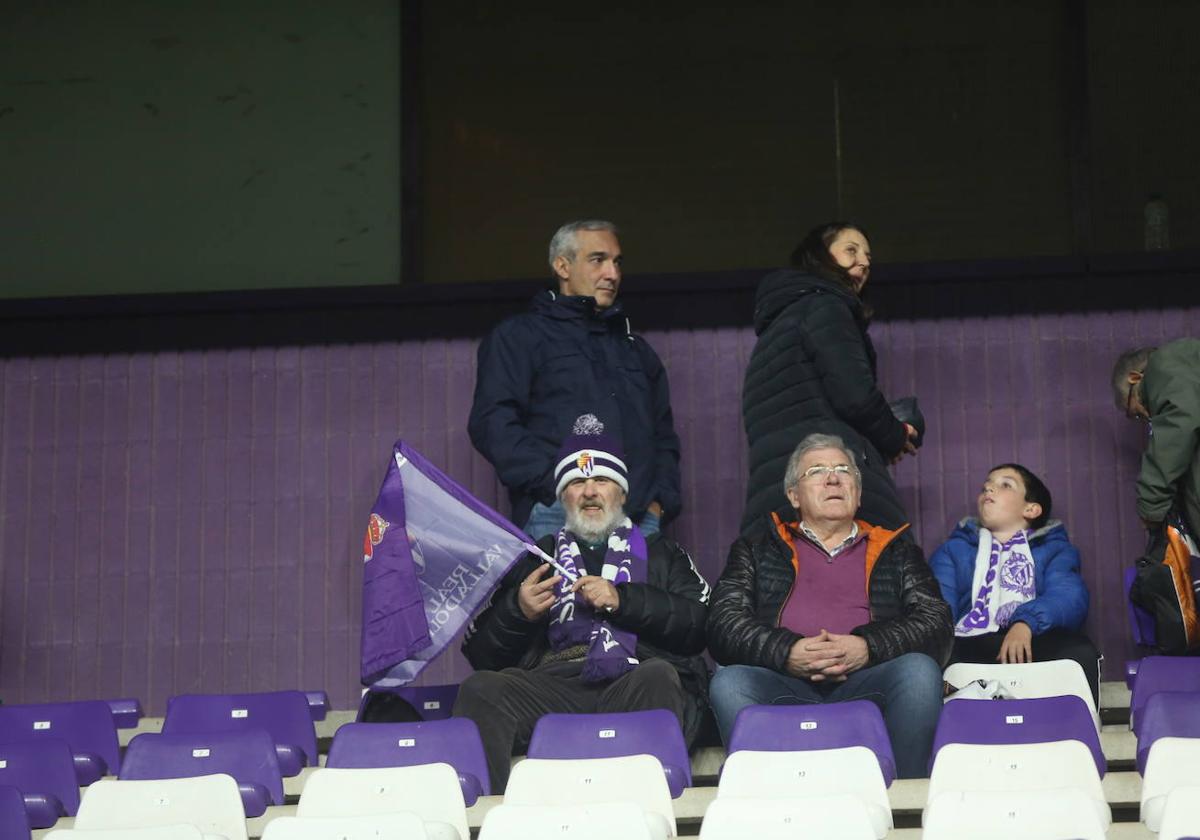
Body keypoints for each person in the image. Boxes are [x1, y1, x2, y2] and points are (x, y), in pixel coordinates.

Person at [453, 415, 710, 791]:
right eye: (577, 482)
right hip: (552, 685)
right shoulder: (536, 558)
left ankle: (654, 807)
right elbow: (480, 653)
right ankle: (495, 820)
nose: (590, 491)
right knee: (481, 690)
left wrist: (623, 600)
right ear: (563, 497)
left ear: (621, 494)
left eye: (601, 480)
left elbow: (701, 625)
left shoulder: (661, 554)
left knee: (659, 677)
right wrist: (517, 612)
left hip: (633, 678)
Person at [707, 433, 951, 779]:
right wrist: (787, 652)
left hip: (867, 682)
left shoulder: (897, 550)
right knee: (729, 683)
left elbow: (936, 622)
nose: (833, 478)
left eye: (843, 470)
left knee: (918, 674)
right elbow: (723, 623)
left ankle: (905, 800)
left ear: (859, 491)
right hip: (784, 683)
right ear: (793, 495)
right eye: (817, 471)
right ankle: (767, 793)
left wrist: (867, 647)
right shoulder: (756, 549)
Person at [468, 220, 681, 540]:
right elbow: (492, 422)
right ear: (562, 266)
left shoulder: (636, 350)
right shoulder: (519, 338)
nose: (612, 273)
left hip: (636, 520)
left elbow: (663, 436)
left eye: (617, 262)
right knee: (561, 594)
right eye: (598, 260)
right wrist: (556, 487)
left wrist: (658, 504)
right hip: (558, 515)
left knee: (639, 594)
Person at [740, 221, 918, 537]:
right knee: (885, 577)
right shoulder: (827, 306)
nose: (863, 262)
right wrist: (894, 435)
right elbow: (856, 396)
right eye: (851, 250)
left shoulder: (778, 325)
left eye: (867, 257)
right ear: (819, 256)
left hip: (780, 490)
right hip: (831, 485)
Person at [928, 464, 1100, 703]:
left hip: (1032, 637)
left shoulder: (1055, 549)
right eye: (986, 485)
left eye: (1005, 485)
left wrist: (1026, 623)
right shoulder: (952, 551)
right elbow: (938, 607)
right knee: (932, 660)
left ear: (1031, 509)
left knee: (1078, 653)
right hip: (970, 640)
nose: (989, 488)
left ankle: (1073, 730)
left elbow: (1069, 595)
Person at [1112, 340, 1200, 538]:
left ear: (1135, 378)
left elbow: (1179, 423)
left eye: (1136, 413)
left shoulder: (1165, 366)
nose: (1148, 418)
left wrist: (1151, 505)